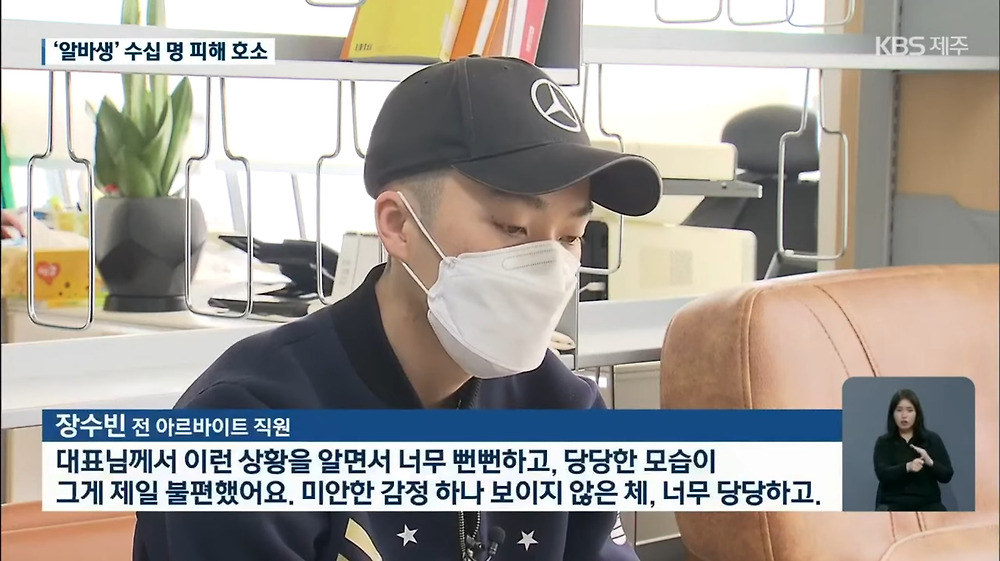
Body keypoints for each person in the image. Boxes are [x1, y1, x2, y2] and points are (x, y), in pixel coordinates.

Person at [132, 56, 663, 560]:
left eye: (570, 236)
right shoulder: (247, 424)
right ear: (398, 225)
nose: (547, 267)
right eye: (512, 228)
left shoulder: (565, 411)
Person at [872, 388, 954, 511]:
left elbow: (947, 475)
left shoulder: (931, 439)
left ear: (917, 413)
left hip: (928, 504)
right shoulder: (884, 442)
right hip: (893, 503)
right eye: (899, 410)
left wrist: (930, 462)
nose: (904, 415)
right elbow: (883, 474)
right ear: (892, 414)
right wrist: (907, 467)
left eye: (909, 410)